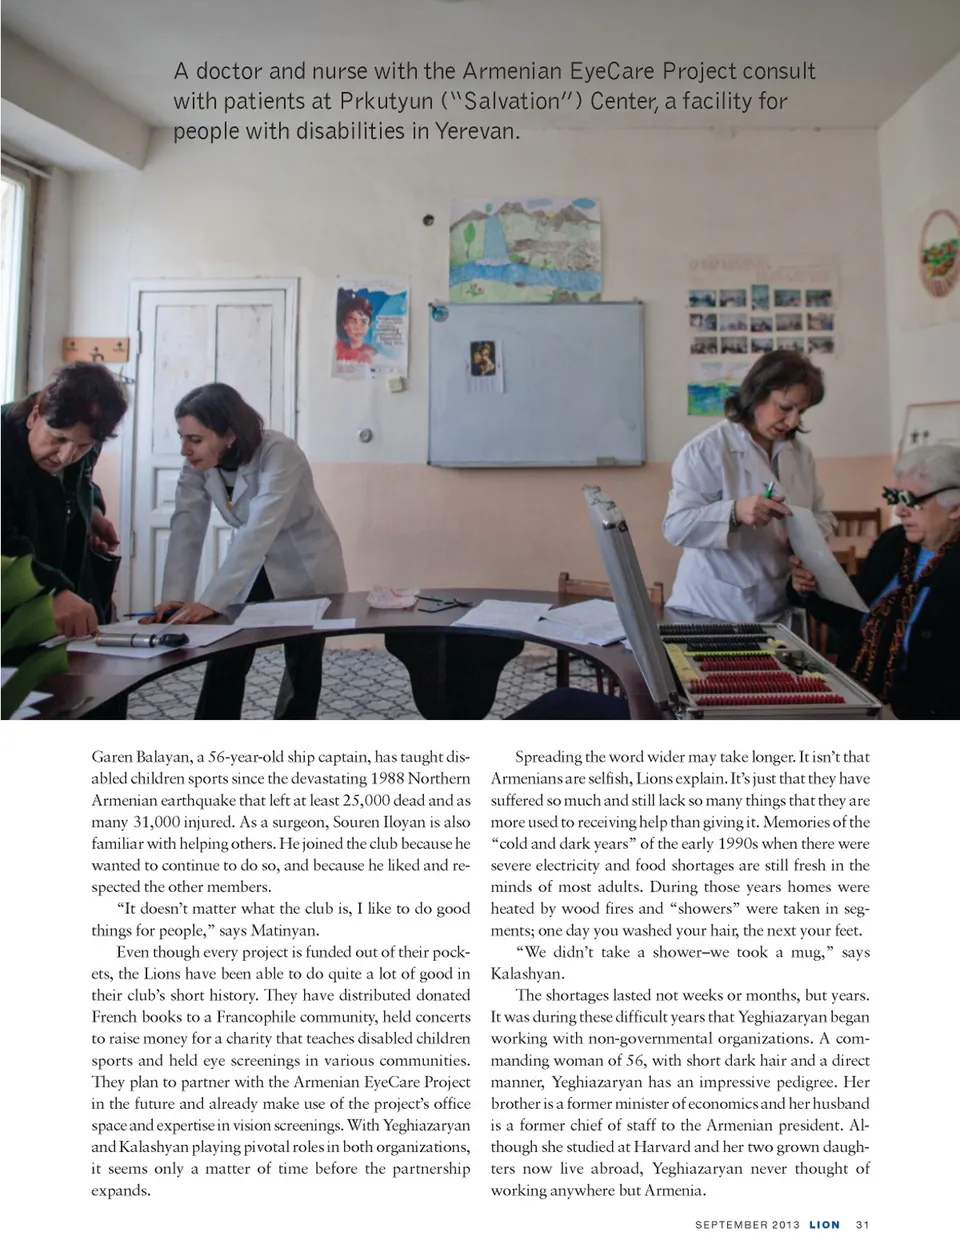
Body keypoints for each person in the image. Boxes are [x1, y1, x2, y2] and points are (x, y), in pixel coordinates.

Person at [142, 383, 347, 720]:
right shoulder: (197, 464)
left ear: (230, 435)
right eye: (182, 437)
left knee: (303, 659)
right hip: (249, 562)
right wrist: (175, 598)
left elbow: (261, 526)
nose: (185, 449)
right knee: (226, 648)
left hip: (303, 559)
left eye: (195, 439)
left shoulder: (279, 452)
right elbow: (186, 527)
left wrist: (210, 600)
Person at [788, 444, 960, 719]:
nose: (900, 510)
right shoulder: (894, 544)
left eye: (911, 499)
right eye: (895, 497)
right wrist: (810, 587)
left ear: (955, 508)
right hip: (857, 696)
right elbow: (853, 612)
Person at [663, 349, 834, 622]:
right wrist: (734, 512)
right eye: (785, 407)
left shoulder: (800, 454)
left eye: (801, 412)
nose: (792, 421)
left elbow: (823, 516)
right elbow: (675, 527)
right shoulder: (706, 450)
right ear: (757, 393)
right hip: (713, 609)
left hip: (778, 605)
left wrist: (804, 541)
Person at [2, 361, 127, 637]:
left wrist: (91, 510)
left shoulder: (83, 440)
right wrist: (53, 590)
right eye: (58, 439)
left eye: (83, 446)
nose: (65, 457)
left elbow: (83, 479)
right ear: (35, 415)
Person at [334, 294, 376, 364]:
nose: (358, 328)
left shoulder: (373, 354)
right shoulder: (338, 347)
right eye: (352, 322)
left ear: (370, 324)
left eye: (363, 322)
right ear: (344, 324)